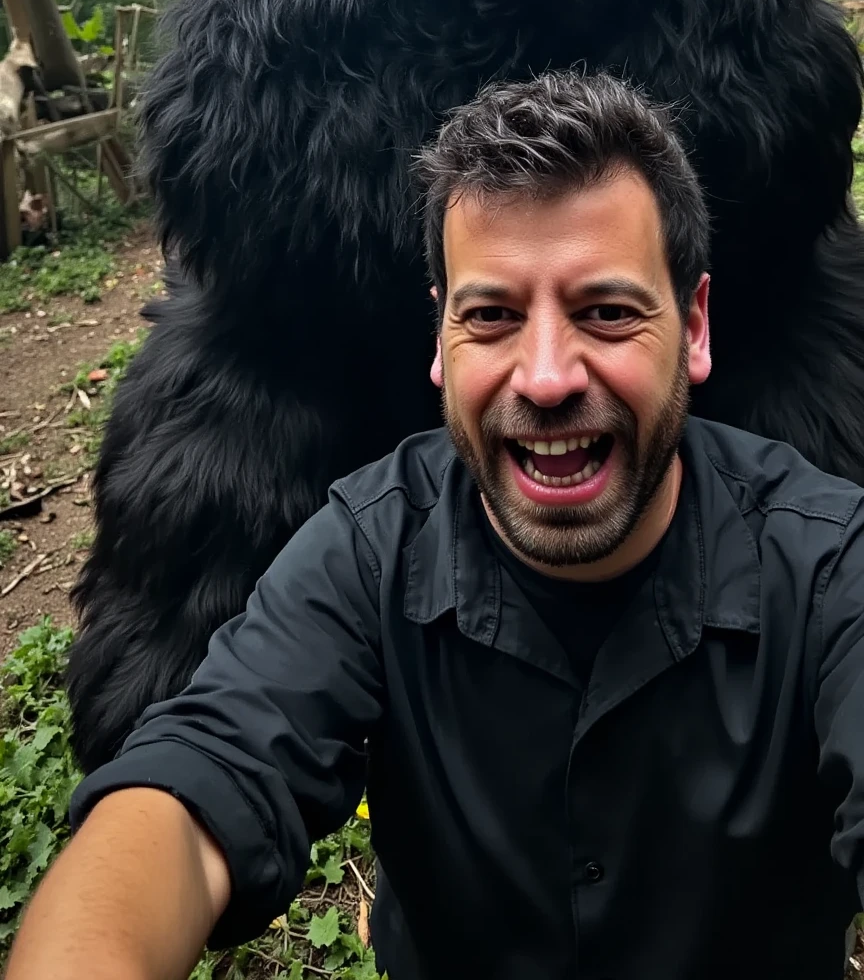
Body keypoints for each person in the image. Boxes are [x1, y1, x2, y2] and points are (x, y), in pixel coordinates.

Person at [6, 70, 864, 980]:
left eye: (606, 312)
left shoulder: (827, 558)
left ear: (693, 327)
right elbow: (195, 784)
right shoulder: (369, 548)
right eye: (490, 316)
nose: (545, 377)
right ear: (441, 341)